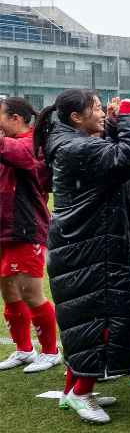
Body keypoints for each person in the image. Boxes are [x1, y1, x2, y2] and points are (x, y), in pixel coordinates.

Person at [36, 88, 130, 423]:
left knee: (83, 320)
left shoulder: (71, 143)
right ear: (77, 117)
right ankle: (81, 392)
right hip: (88, 247)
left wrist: (117, 126)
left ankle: (75, 386)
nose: (104, 113)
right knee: (98, 320)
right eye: (99, 108)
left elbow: (114, 158)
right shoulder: (78, 147)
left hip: (83, 244)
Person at [0, 96, 59, 373]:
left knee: (30, 293)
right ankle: (24, 350)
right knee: (9, 293)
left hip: (26, 228)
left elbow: (10, 150)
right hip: (4, 230)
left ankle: (50, 351)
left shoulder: (30, 144)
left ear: (15, 118)